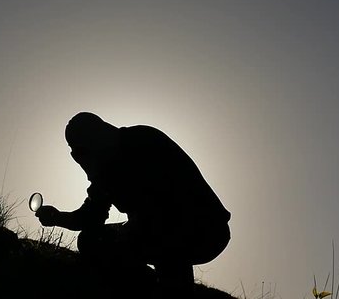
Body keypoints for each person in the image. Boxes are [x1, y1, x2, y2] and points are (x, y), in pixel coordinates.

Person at [35, 112, 231, 297]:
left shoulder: (143, 140)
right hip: (155, 230)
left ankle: (174, 290)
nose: (79, 158)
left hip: (205, 229)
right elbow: (91, 217)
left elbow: (164, 205)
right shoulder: (104, 169)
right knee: (91, 241)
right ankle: (144, 286)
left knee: (159, 235)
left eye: (80, 150)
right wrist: (57, 217)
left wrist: (133, 228)